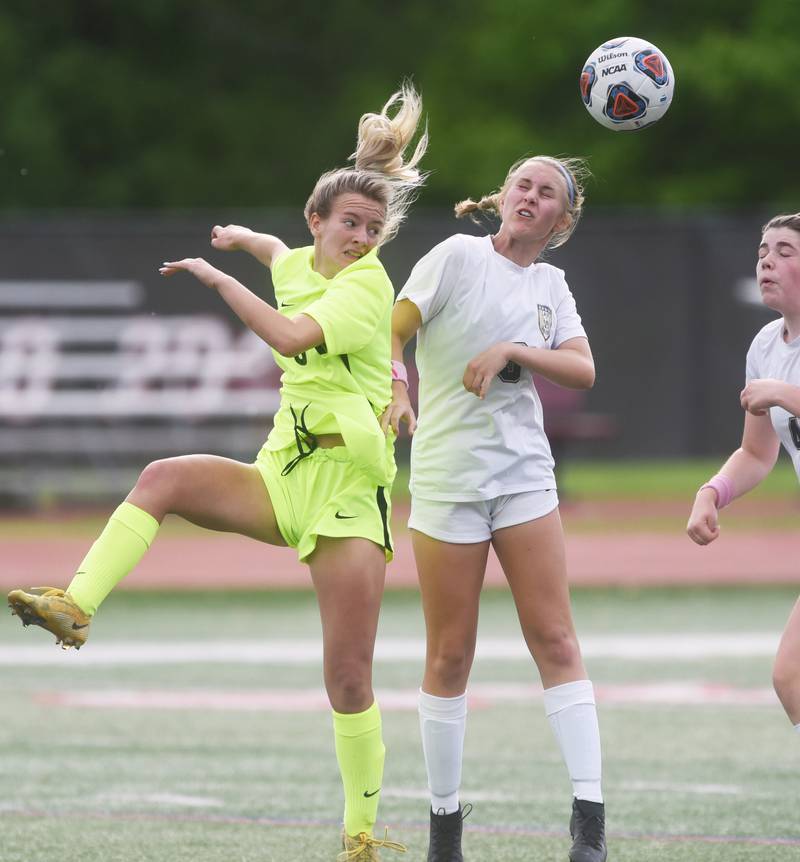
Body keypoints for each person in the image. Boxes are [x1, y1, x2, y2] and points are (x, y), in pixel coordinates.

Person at [8, 83, 428, 862]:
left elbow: (292, 334)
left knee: (346, 678)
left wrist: (216, 272)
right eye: (350, 224)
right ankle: (77, 605)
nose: (363, 238)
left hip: (345, 495)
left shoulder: (367, 284)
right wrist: (246, 240)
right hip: (282, 476)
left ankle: (361, 835)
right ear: (318, 222)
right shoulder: (301, 256)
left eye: (374, 228)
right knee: (163, 477)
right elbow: (282, 257)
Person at [381, 155, 606, 862]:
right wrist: (396, 385)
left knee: (557, 641)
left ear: (561, 221)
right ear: (502, 195)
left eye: (547, 194)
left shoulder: (551, 283)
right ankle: (444, 830)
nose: (530, 197)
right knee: (450, 654)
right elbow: (394, 326)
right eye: (523, 185)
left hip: (524, 479)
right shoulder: (455, 256)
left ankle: (589, 824)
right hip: (448, 480)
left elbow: (583, 367)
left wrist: (515, 350)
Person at [687, 212, 800, 734]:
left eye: (785, 251)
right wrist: (712, 492)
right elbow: (757, 454)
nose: (767, 261)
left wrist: (785, 395)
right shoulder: (766, 347)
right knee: (791, 678)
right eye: (762, 252)